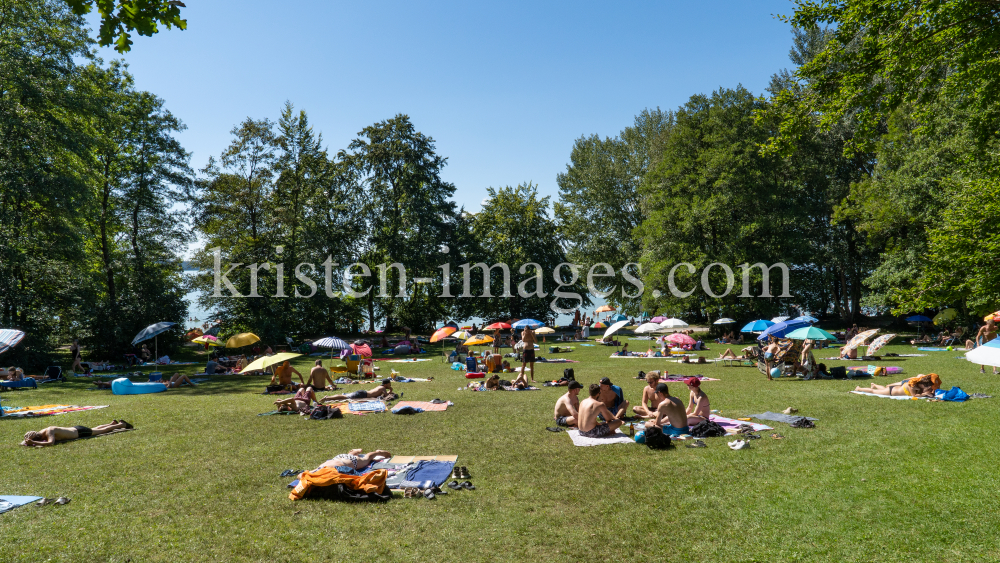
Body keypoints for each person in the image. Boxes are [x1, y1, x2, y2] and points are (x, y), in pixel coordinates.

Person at [21, 420, 132, 447]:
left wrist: (33, 442)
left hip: (79, 432)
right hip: (76, 429)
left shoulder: (49, 431)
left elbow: (50, 443)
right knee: (95, 428)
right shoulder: (40, 433)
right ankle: (111, 423)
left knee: (100, 431)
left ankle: (120, 425)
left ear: (38, 437)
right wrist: (29, 441)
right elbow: (23, 442)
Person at [854, 375, 937, 398]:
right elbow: (914, 396)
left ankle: (874, 385)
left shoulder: (918, 385)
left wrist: (928, 392)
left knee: (883, 388)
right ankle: (859, 388)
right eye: (925, 386)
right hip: (891, 392)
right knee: (873, 392)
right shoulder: (912, 385)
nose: (926, 387)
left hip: (893, 389)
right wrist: (924, 394)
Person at [318, 449, 392, 474]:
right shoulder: (319, 469)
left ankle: (378, 452)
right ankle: (353, 453)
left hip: (353, 461)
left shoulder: (326, 471)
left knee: (367, 458)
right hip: (339, 458)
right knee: (350, 457)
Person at [321, 379, 393, 402]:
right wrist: (390, 390)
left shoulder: (380, 387)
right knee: (344, 397)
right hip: (362, 394)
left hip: (362, 393)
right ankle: (328, 398)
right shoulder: (383, 388)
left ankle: (328, 397)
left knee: (345, 396)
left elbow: (383, 395)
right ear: (386, 385)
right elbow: (386, 397)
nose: (390, 386)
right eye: (389, 384)